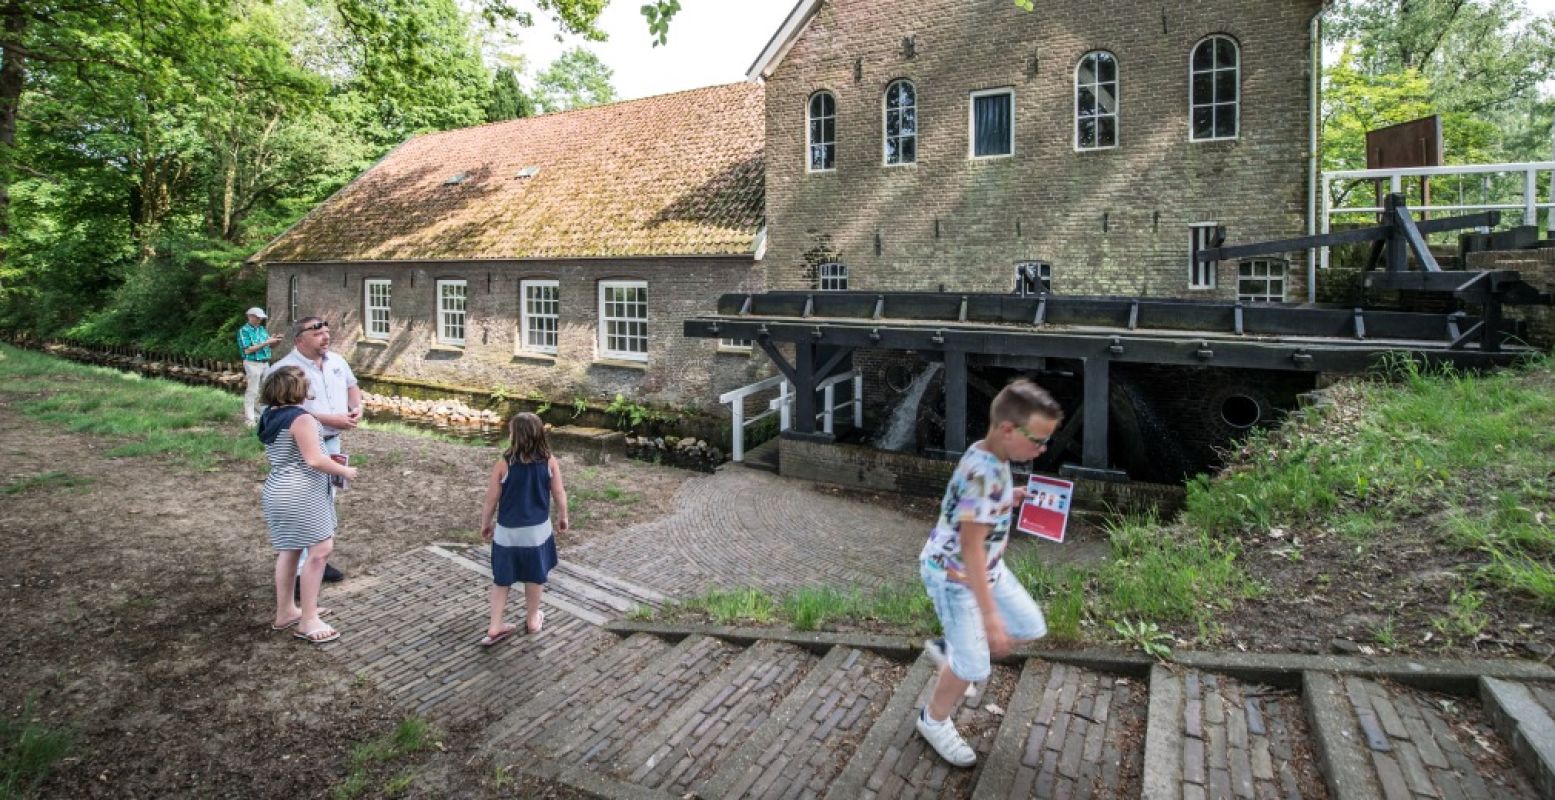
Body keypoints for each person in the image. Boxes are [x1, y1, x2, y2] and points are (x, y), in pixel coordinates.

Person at [914, 378, 1062, 767]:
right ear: (1008, 429)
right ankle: (934, 720)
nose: (1042, 449)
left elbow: (971, 508)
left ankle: (953, 647)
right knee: (974, 667)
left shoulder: (991, 456)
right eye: (1038, 439)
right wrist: (991, 616)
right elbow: (970, 549)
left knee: (1031, 625)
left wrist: (1007, 499)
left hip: (985, 569)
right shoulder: (986, 477)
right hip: (956, 577)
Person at [257, 366, 358, 644]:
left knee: (289, 551)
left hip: (278, 488)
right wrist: (344, 472)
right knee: (320, 551)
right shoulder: (301, 419)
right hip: (301, 492)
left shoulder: (270, 415)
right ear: (297, 390)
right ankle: (309, 620)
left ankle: (286, 611)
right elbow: (314, 459)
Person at [268, 315, 358, 585]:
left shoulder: (337, 361)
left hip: (332, 441)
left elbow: (352, 387)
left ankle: (318, 558)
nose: (326, 336)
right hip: (302, 448)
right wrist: (332, 419)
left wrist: (356, 408)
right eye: (317, 333)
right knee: (303, 504)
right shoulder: (284, 370)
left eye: (328, 332)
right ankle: (299, 574)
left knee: (325, 499)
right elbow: (279, 415)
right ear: (299, 339)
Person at [476, 412, 569, 646]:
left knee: (502, 579)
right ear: (540, 434)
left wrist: (486, 523)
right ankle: (532, 619)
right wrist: (563, 516)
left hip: (507, 532)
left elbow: (491, 499)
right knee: (534, 577)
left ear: (513, 435)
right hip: (537, 532)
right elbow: (558, 492)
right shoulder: (549, 461)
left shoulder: (503, 463)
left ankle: (495, 624)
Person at [237, 308, 281, 426]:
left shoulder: (262, 330)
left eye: (261, 317)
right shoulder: (244, 331)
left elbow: (269, 348)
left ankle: (261, 416)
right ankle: (249, 419)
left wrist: (275, 342)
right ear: (249, 316)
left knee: (265, 391)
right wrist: (267, 342)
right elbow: (248, 350)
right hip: (252, 363)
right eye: (257, 317)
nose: (259, 319)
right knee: (252, 390)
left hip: (265, 363)